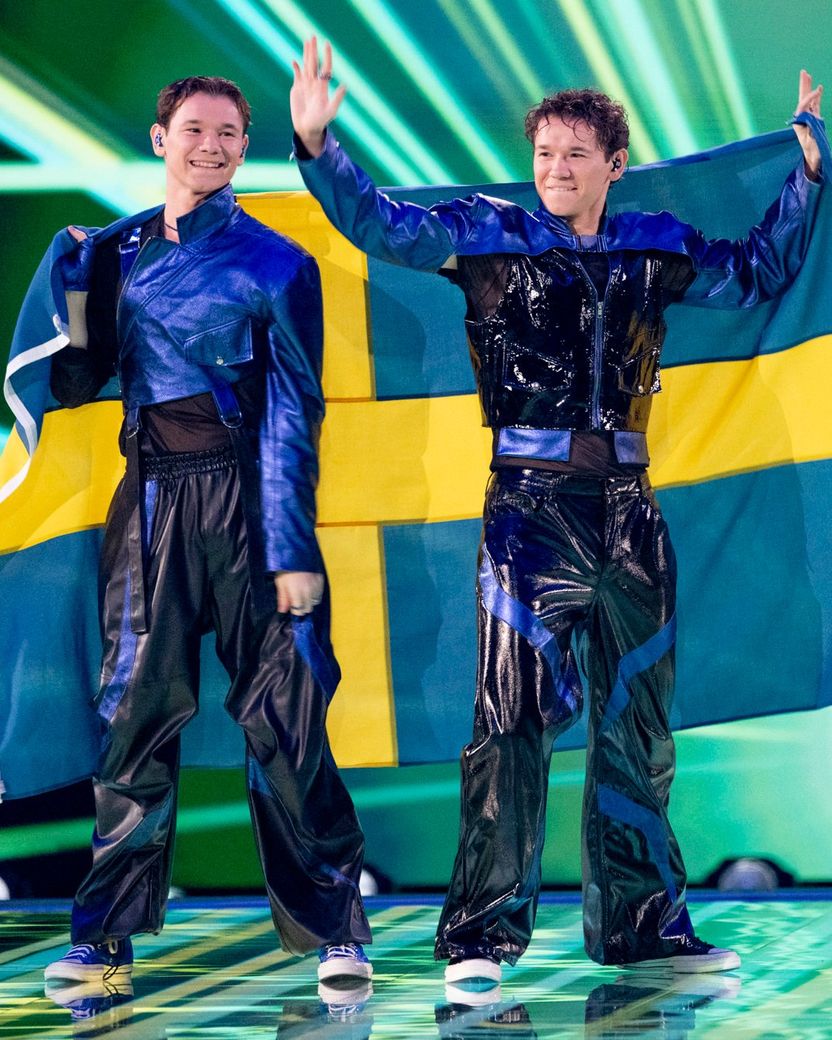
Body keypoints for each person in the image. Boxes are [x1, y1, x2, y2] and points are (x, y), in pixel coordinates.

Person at [290, 38, 825, 984]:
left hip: (630, 512)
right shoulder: (489, 236)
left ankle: (645, 934)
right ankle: (481, 941)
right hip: (529, 516)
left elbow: (757, 275)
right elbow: (379, 225)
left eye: (576, 154)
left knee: (639, 727)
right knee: (509, 721)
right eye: (544, 154)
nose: (555, 171)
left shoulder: (655, 244)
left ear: (613, 165)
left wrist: (807, 175)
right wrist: (319, 148)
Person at [43, 75, 372, 987]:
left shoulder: (277, 264)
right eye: (195, 129)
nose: (212, 145)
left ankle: (336, 930)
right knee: (131, 717)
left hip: (248, 501)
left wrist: (293, 546)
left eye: (229, 133)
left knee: (288, 710)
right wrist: (72, 289)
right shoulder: (112, 254)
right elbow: (76, 382)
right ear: (160, 139)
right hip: (148, 500)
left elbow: (298, 412)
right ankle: (102, 933)